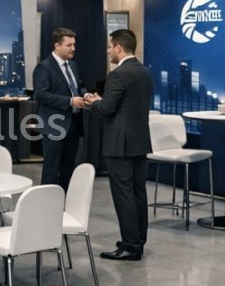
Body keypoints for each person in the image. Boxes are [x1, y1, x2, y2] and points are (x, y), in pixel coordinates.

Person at [83, 29, 153, 261]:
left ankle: (129, 245)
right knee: (138, 192)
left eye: (110, 47)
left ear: (119, 48)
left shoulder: (118, 74)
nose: (108, 51)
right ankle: (138, 241)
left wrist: (94, 102)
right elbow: (127, 105)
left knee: (124, 195)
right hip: (139, 142)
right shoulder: (144, 72)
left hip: (119, 144)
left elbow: (107, 109)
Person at [33, 27, 87, 189]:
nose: (73, 48)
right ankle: (47, 202)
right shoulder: (44, 67)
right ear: (57, 46)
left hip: (73, 125)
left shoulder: (74, 66)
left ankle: (64, 201)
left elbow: (79, 86)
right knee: (51, 169)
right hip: (54, 126)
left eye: (74, 44)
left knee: (68, 169)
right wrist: (70, 101)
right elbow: (40, 95)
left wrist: (85, 94)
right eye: (69, 45)